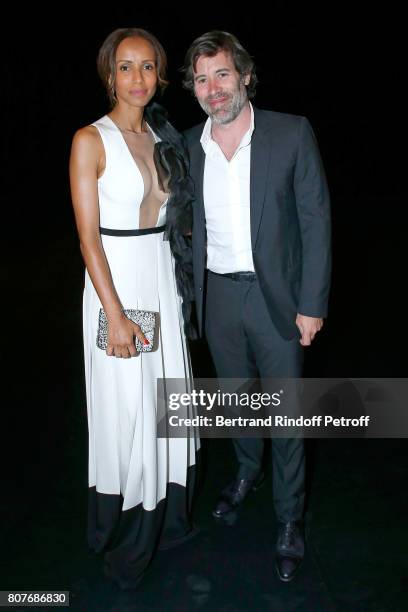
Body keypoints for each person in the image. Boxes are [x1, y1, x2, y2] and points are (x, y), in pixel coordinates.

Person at [182, 31, 331, 582]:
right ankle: (246, 472)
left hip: (278, 301)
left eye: (222, 74)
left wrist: (311, 303)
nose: (213, 89)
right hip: (217, 295)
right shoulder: (189, 146)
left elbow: (316, 222)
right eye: (201, 79)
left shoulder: (290, 134)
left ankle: (289, 519)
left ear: (244, 75)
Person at [69, 27, 199, 590]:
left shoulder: (162, 135)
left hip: (162, 284)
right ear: (108, 75)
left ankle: (169, 520)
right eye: (126, 66)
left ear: (160, 74)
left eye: (148, 66)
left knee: (167, 400)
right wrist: (115, 315)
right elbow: (88, 240)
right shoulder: (88, 140)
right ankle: (124, 534)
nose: (138, 78)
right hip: (116, 285)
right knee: (129, 407)